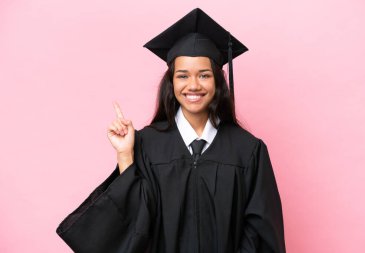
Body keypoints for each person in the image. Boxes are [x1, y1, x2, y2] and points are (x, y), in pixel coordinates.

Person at [57, 8, 286, 253]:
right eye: (183, 76)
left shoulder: (248, 150)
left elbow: (260, 234)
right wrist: (126, 154)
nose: (193, 85)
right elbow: (134, 224)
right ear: (172, 82)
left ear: (218, 81)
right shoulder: (147, 144)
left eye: (204, 75)